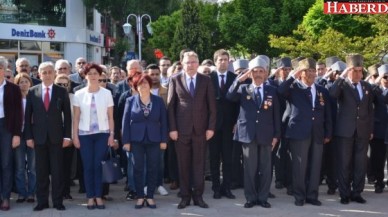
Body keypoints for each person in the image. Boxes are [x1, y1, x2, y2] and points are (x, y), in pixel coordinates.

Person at [227, 56, 280, 208]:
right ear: (250, 73)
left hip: (267, 135)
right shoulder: (243, 89)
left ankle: (263, 198)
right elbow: (229, 96)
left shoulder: (272, 90)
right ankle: (250, 197)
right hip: (248, 134)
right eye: (254, 71)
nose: (257, 74)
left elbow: (276, 114)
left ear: (266, 73)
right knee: (249, 169)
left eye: (260, 71)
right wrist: (239, 79)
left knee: (265, 168)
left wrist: (276, 135)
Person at [278, 58, 332, 206]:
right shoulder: (293, 88)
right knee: (299, 167)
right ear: (301, 73)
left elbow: (327, 114)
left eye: (313, 71)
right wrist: (292, 76)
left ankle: (312, 195)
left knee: (315, 166)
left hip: (317, 133)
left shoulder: (322, 90)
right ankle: (299, 196)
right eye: (308, 71)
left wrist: (328, 133)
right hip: (299, 132)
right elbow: (280, 91)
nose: (312, 74)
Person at [167, 51, 216, 209]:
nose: (191, 65)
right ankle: (185, 196)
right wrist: (172, 129)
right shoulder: (174, 79)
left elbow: (212, 107)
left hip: (201, 130)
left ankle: (198, 196)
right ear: (182, 63)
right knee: (183, 165)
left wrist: (210, 128)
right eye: (188, 62)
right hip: (181, 131)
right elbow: (170, 107)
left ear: (198, 63)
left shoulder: (206, 80)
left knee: (199, 165)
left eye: (194, 62)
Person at [24, 62, 71, 211]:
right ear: (39, 74)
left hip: (57, 138)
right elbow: (27, 116)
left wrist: (67, 137)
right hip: (39, 138)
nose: (47, 74)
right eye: (44, 72)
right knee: (41, 172)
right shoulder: (32, 91)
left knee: (57, 172)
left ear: (54, 74)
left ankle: (58, 202)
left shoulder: (61, 91)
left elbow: (68, 116)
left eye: (50, 72)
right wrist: (29, 137)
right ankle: (42, 202)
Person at [329, 54, 374, 205]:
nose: (358, 74)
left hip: (362, 131)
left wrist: (370, 129)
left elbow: (369, 110)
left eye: (360, 71)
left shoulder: (366, 86)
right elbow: (332, 94)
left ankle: (357, 192)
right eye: (354, 71)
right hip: (345, 131)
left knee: (360, 164)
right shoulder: (343, 85)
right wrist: (341, 77)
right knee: (344, 164)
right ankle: (344, 193)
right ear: (348, 71)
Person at [72, 63, 115, 210]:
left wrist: (111, 135)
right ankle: (90, 197)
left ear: (100, 75)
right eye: (89, 73)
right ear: (85, 75)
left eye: (95, 73)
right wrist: (75, 136)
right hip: (84, 135)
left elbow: (111, 117)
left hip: (102, 134)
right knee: (88, 166)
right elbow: (76, 118)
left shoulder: (106, 93)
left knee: (98, 166)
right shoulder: (79, 94)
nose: (93, 76)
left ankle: (99, 196)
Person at [122, 74, 168, 209]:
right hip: (136, 140)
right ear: (136, 86)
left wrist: (164, 139)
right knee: (138, 169)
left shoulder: (158, 101)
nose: (143, 86)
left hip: (154, 139)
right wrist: (126, 141)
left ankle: (151, 197)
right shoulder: (130, 101)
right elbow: (125, 122)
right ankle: (140, 196)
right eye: (140, 84)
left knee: (154, 168)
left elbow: (164, 122)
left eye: (146, 83)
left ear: (150, 85)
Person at [209, 49, 239, 199]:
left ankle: (226, 188)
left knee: (228, 159)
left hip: (229, 125)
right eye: (220, 60)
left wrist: (237, 122)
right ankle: (215, 188)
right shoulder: (208, 78)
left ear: (229, 62)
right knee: (214, 158)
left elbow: (239, 104)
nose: (223, 62)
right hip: (213, 126)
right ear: (215, 62)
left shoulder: (235, 78)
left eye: (225, 60)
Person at [0, 56, 23, 211]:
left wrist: (16, 134)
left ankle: (6, 197)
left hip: (6, 127)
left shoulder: (13, 88)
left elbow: (18, 113)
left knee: (6, 163)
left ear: (4, 70)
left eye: (0, 67)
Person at [13, 73, 36, 204]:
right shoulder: (14, 99)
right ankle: (22, 193)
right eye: (21, 82)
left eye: (26, 81)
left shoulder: (34, 97)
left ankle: (32, 192)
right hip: (18, 135)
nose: (24, 84)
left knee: (32, 167)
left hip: (32, 135)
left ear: (30, 83)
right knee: (20, 166)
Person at [54, 74, 75, 200]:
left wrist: (72, 136)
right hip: (53, 136)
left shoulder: (74, 97)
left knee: (67, 166)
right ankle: (57, 191)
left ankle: (66, 191)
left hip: (69, 135)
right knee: (56, 167)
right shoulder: (51, 96)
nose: (63, 86)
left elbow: (75, 119)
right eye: (59, 84)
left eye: (65, 84)